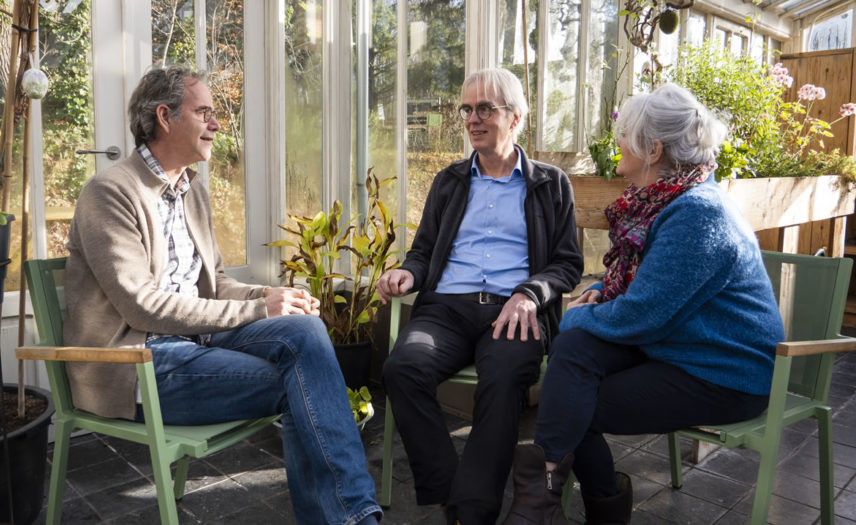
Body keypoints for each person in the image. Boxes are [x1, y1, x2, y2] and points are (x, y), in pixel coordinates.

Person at [63, 65, 382, 525]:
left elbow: (212, 284)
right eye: (205, 112)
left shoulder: (192, 191)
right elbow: (142, 305)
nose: (216, 123)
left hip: (195, 343)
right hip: (138, 362)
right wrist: (256, 309)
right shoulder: (110, 192)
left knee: (305, 330)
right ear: (165, 117)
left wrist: (269, 294)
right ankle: (354, 519)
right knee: (306, 386)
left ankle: (347, 518)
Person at [502, 83, 785, 525]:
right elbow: (647, 292)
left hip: (724, 373)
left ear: (652, 150)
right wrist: (599, 297)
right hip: (677, 346)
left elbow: (642, 314)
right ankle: (549, 498)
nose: (616, 141)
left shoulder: (697, 214)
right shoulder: (664, 201)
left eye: (624, 134)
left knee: (575, 403)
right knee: (573, 356)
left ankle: (566, 502)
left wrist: (581, 315)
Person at [376, 68, 584, 525]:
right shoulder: (449, 181)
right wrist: (407, 275)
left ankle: (469, 514)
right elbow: (424, 251)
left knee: (504, 377)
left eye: (485, 108)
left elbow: (568, 264)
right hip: (446, 310)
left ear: (516, 118)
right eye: (466, 109)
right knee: (402, 367)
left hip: (514, 312)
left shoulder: (550, 184)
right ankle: (457, 496)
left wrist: (531, 294)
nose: (473, 118)